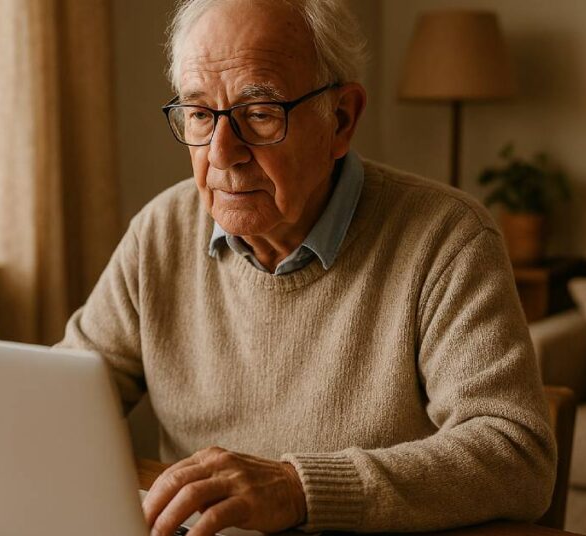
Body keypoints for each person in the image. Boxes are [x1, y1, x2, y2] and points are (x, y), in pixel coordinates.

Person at [56, 1, 556, 534]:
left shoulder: (448, 239)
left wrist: (300, 488)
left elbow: (515, 454)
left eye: (261, 113)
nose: (222, 154)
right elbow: (62, 399)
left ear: (341, 120)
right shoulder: (161, 231)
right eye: (201, 114)